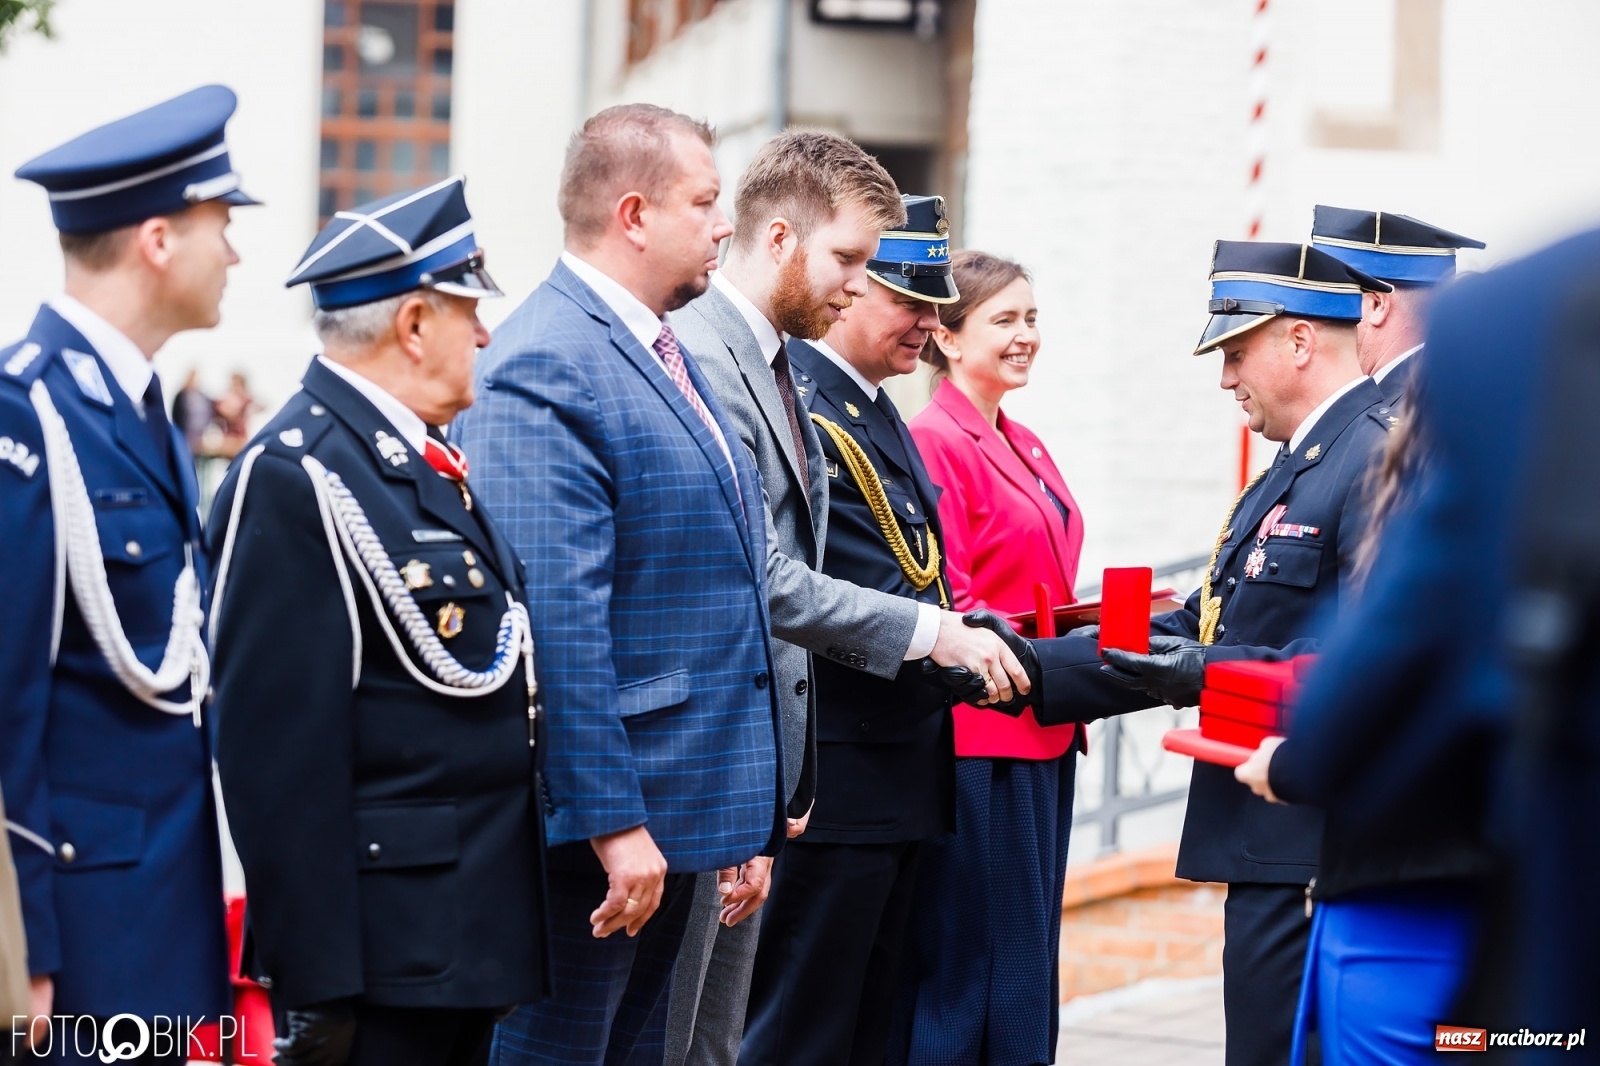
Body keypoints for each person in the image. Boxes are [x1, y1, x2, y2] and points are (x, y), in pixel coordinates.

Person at [965, 241, 1397, 1066]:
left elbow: (1368, 661)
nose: (1226, 379)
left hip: (1309, 835)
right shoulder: (1302, 462)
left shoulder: (1371, 456)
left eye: (1236, 353)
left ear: (1298, 342)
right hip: (1271, 835)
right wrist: (1027, 664)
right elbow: (1203, 623)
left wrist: (1202, 673)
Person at [664, 143, 1028, 1066]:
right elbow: (769, 578)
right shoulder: (717, 359)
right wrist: (939, 634)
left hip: (820, 776)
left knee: (843, 1031)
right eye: (857, 267)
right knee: (771, 1036)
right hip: (793, 770)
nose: (871, 293)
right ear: (782, 237)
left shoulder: (795, 374)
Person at [450, 104, 782, 1066]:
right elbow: (559, 621)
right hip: (602, 842)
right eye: (706, 202)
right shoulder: (549, 359)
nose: (725, 225)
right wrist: (614, 821)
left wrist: (735, 810)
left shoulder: (657, 349)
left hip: (676, 816)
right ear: (634, 214)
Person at [1234, 225, 1600, 1062]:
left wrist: (1299, 760)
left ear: (1376, 306)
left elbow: (1406, 640)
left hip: (1443, 889)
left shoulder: (1519, 324)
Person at [207, 177, 545, 1066]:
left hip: (461, 929)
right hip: (384, 952)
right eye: (469, 310)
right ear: (415, 325)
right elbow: (274, 756)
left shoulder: (420, 464)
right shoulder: (298, 475)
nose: (484, 333)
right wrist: (315, 982)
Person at [0, 84, 256, 1059]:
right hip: (71, 937)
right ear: (158, 239)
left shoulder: (140, 406)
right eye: (219, 222)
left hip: (161, 915)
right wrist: (17, 945)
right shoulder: (25, 415)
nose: (233, 251)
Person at [739, 197, 972, 1066]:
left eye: (935, 305)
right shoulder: (811, 409)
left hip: (896, 776)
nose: (927, 322)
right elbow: (835, 594)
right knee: (801, 1030)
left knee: (868, 1031)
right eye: (907, 301)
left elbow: (923, 577)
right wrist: (1009, 662)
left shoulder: (875, 409)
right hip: (838, 781)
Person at [893, 250, 1085, 1066]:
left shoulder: (1026, 441)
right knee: (977, 964)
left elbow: (1045, 578)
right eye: (1004, 319)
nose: (1025, 336)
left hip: (1045, 725)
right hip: (986, 738)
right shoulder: (937, 442)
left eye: (1032, 318)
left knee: (1027, 958)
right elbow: (958, 602)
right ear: (947, 335)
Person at [1308, 206, 1484, 405]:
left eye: (1331, 302)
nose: (1316, 321)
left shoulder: (1401, 414)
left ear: (1376, 305)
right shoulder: (1451, 390)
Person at [170, 368, 215, 456]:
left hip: (200, 436)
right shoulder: (181, 396)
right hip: (184, 435)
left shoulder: (202, 397)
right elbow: (175, 414)